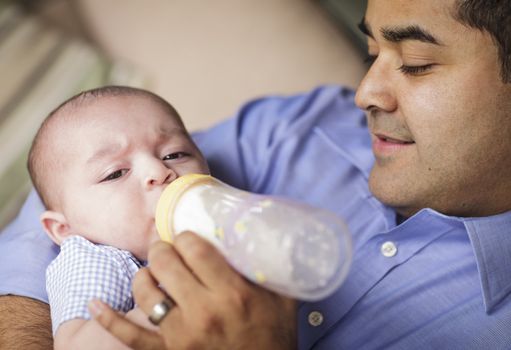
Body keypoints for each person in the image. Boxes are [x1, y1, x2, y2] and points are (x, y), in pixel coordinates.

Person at [1, 0, 510, 348]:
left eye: (417, 63)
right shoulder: (297, 127)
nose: (365, 94)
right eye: (372, 53)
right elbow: (61, 187)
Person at [25, 85, 209, 349]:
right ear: (64, 229)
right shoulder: (100, 257)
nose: (160, 170)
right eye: (115, 173)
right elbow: (77, 344)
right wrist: (174, 302)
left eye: (175, 154)